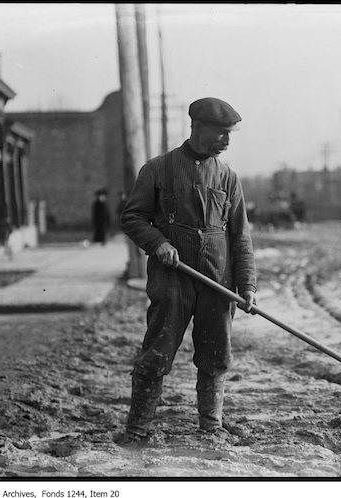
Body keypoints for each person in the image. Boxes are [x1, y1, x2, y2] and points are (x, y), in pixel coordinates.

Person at [116, 97, 257, 446]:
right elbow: (132, 218)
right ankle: (137, 429)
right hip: (172, 279)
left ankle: (211, 426)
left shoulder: (228, 178)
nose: (226, 141)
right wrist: (158, 242)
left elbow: (241, 237)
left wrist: (248, 286)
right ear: (197, 127)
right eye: (221, 133)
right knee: (157, 353)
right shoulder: (157, 169)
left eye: (230, 135)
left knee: (216, 356)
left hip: (217, 283)